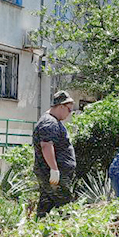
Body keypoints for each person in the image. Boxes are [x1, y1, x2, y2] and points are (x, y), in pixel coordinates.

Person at [32, 90, 77, 219]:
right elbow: (46, 146)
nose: (70, 113)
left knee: (46, 204)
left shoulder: (52, 121)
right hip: (53, 174)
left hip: (51, 173)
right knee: (65, 205)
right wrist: (54, 169)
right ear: (61, 106)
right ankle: (66, 235)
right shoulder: (49, 122)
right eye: (69, 110)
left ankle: (40, 232)